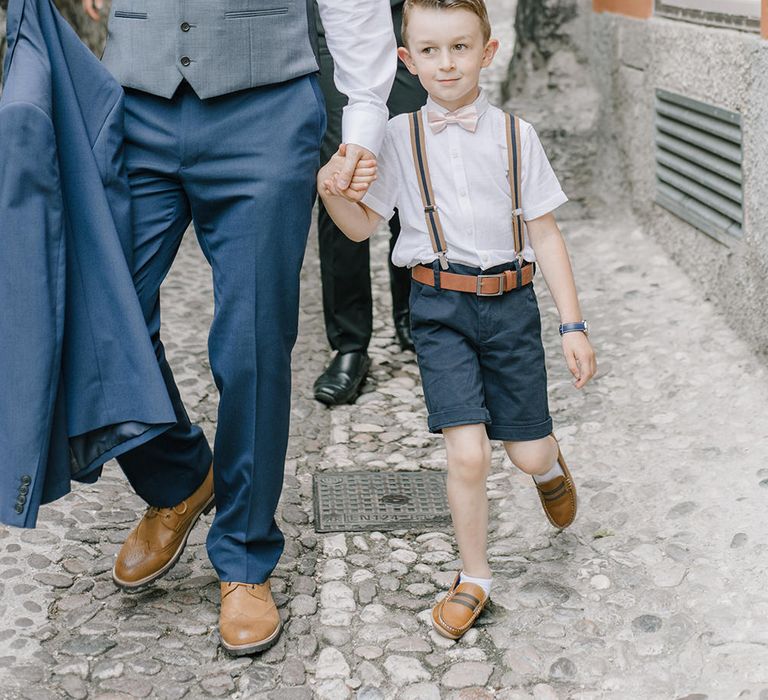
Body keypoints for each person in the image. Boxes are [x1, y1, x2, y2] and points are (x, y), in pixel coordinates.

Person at [81, 0, 395, 655]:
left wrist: (363, 120)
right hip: (131, 101)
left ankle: (246, 554)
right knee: (98, 320)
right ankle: (180, 478)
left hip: (265, 111)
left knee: (252, 343)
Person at [317, 0, 597, 640]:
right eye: (432, 51)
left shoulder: (515, 136)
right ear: (407, 60)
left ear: (487, 52)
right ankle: (475, 578)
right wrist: (331, 193)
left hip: (511, 307)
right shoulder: (395, 137)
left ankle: (549, 467)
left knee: (524, 453)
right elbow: (364, 228)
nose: (447, 63)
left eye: (461, 47)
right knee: (467, 455)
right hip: (438, 309)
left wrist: (572, 326)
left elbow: (547, 236)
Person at [312, 1, 427, 406]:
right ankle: (349, 344)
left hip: (412, 15)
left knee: (415, 158)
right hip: (338, 23)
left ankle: (418, 316)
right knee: (343, 169)